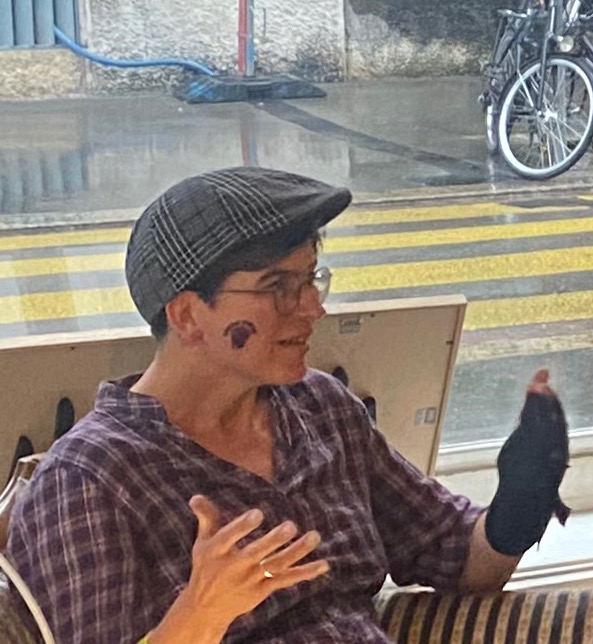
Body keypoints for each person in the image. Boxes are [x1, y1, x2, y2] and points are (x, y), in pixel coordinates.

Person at [6, 167, 568, 643]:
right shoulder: (89, 482)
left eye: (311, 280)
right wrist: (201, 613)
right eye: (278, 287)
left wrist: (521, 502)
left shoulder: (319, 408)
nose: (312, 309)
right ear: (187, 315)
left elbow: (458, 557)